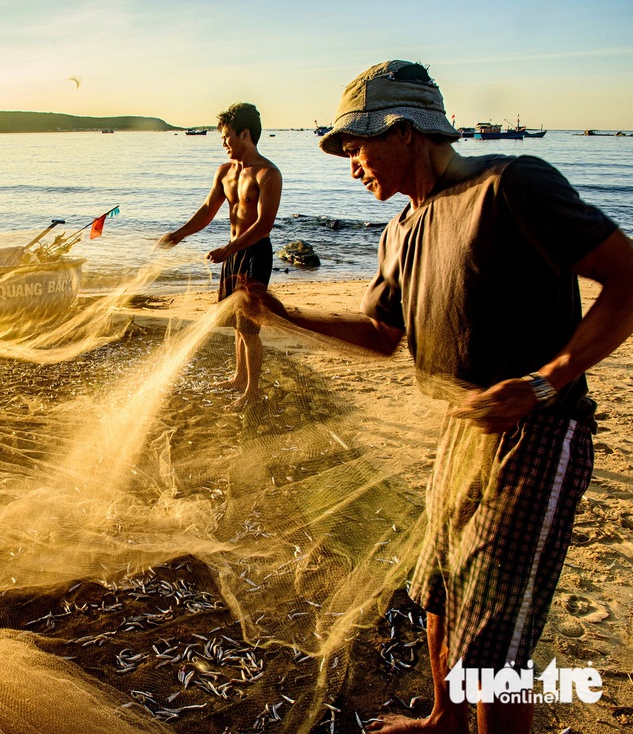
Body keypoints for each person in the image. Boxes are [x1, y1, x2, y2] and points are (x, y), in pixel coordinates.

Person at [252, 61, 633, 733]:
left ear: (404, 133)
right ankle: (443, 724)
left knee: (494, 644)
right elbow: (379, 336)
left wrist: (549, 379)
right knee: (439, 592)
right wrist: (282, 314)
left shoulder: (510, 185)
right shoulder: (401, 230)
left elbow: (627, 279)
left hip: (539, 434)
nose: (350, 164)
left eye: (355, 145)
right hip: (466, 428)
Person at [157, 102, 282, 411]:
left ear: (245, 134)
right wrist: (179, 234)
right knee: (236, 325)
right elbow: (207, 211)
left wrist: (229, 248)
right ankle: (239, 378)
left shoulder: (268, 174)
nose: (224, 143)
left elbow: (264, 225)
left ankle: (253, 392)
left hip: (253, 255)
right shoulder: (225, 172)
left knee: (250, 328)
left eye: (227, 136)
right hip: (232, 257)